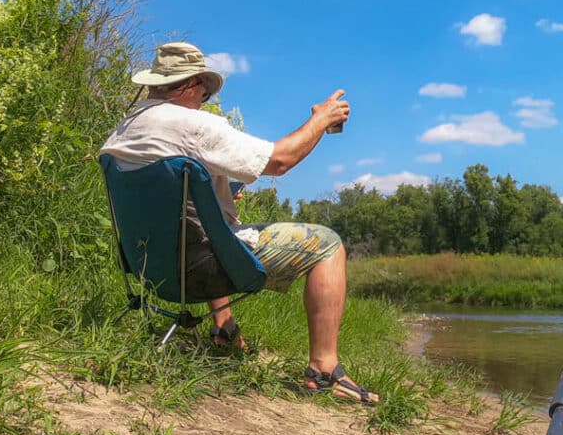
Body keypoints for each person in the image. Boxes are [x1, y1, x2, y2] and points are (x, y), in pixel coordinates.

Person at [100, 41, 378, 405]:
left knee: (209, 220)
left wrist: (220, 189)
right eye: (205, 91)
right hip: (201, 268)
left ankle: (223, 326)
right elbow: (279, 160)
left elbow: (172, 191)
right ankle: (325, 370)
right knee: (327, 243)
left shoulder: (122, 132)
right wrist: (320, 120)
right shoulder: (191, 124)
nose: (205, 100)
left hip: (151, 268)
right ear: (191, 84)